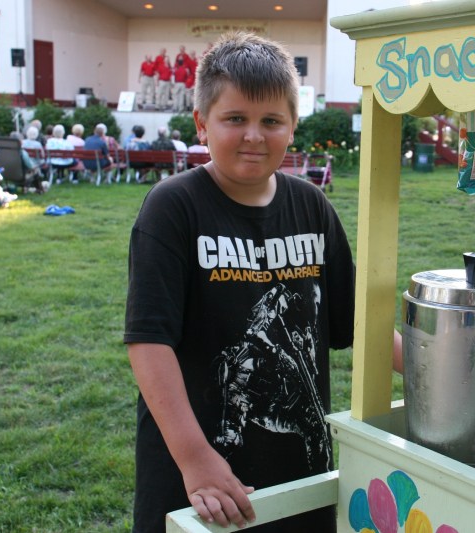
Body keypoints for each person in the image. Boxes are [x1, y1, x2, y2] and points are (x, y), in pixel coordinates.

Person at [125, 32, 402, 533]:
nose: (255, 135)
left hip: (300, 470)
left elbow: (361, 324)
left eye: (271, 121)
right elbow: (149, 342)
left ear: (293, 127)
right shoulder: (173, 208)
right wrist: (195, 459)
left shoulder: (311, 206)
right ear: (201, 124)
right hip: (200, 478)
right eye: (236, 119)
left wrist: (440, 380)